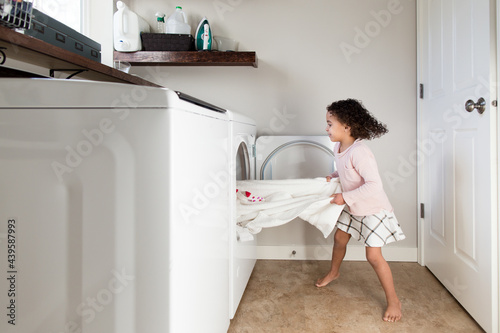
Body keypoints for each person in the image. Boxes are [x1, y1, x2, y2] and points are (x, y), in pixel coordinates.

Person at [316, 98, 405, 323]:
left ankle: (393, 300)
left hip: (372, 209)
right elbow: (346, 171)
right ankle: (334, 271)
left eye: (329, 124)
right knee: (339, 239)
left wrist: (344, 196)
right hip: (353, 205)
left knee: (373, 256)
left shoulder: (360, 152)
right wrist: (334, 176)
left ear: (347, 127)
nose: (326, 128)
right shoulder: (338, 146)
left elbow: (374, 184)